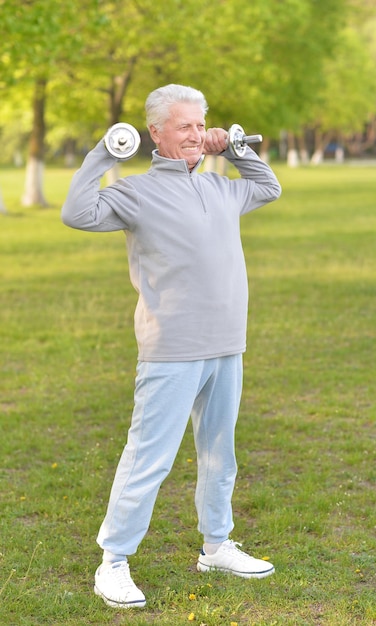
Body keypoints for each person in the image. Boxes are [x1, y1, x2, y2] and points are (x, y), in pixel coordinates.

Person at [62, 83, 281, 609]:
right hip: (172, 347)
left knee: (218, 452)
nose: (192, 134)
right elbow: (76, 212)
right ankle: (113, 562)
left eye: (198, 124)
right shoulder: (135, 192)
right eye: (182, 125)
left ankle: (216, 545)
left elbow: (269, 187)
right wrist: (104, 151)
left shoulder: (222, 187)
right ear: (155, 131)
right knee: (150, 459)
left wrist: (231, 147)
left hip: (227, 343)